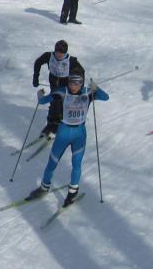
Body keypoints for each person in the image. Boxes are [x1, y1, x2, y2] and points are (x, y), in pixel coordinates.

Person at [26, 69, 108, 207]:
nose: (73, 86)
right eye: (71, 82)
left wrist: (97, 88)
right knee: (52, 162)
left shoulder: (88, 93)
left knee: (76, 164)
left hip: (79, 134)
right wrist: (40, 95)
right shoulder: (62, 92)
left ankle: (72, 193)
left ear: (82, 83)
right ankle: (44, 188)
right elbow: (43, 101)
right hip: (63, 132)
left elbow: (106, 97)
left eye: (77, 83)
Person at [32, 40, 84, 139]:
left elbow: (81, 72)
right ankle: (50, 123)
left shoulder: (71, 61)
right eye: (57, 52)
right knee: (53, 100)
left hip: (65, 83)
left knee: (62, 102)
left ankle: (60, 123)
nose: (59, 55)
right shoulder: (49, 56)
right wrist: (35, 77)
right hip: (53, 80)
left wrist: (79, 88)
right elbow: (38, 62)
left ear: (65, 52)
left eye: (62, 53)